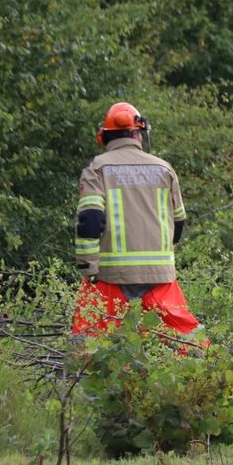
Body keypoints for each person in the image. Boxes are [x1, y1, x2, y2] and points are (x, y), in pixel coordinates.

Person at [72, 101, 200, 337]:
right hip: (159, 276)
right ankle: (209, 371)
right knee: (186, 341)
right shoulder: (164, 169)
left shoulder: (97, 168)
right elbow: (179, 221)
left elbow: (90, 220)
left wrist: (88, 268)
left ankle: (86, 374)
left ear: (104, 137)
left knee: (89, 345)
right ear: (139, 134)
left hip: (110, 277)